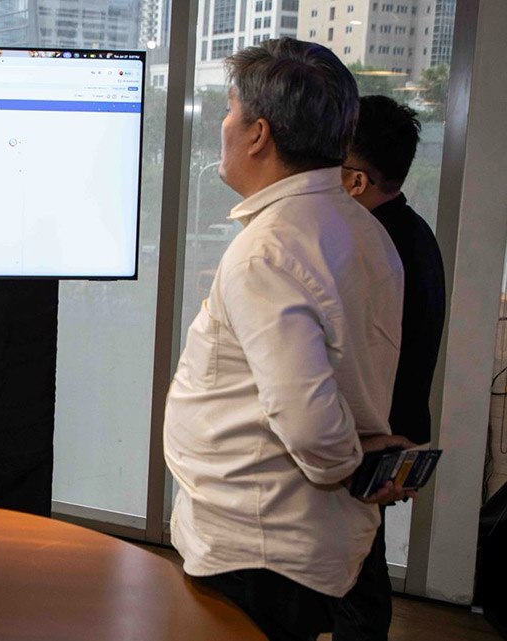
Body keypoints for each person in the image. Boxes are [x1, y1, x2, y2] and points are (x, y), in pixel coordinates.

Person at [163, 38, 412, 640]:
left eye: (229, 111)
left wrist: (350, 464)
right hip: (295, 539)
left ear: (258, 134)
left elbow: (308, 422)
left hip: (257, 545)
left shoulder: (267, 250)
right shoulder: (363, 228)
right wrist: (363, 458)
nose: (223, 126)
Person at [334, 95, 446, 640]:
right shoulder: (413, 232)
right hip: (392, 429)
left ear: (358, 179)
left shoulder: (373, 245)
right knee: (361, 566)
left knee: (356, 580)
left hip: (372, 437)